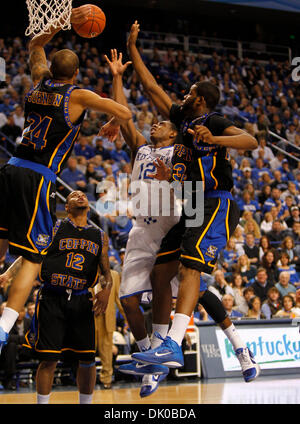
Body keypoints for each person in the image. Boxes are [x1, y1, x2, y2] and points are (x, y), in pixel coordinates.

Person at [126, 21, 260, 383]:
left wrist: (216, 138)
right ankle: (160, 354)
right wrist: (132, 47)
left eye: (188, 92)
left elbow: (251, 141)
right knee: (165, 273)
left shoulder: (211, 119)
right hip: (190, 205)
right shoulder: (182, 122)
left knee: (191, 272)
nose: (182, 94)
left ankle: (171, 344)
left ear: (199, 98)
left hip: (215, 202)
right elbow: (151, 86)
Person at [0, 5, 132, 351]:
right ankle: (2, 327)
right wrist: (116, 117)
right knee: (33, 256)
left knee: (0, 239)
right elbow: (125, 112)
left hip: (10, 167)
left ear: (52, 69)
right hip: (37, 177)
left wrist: (57, 27)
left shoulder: (39, 81)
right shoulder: (77, 96)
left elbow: (34, 47)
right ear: (75, 74)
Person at [100, 49, 180, 397]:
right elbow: (124, 118)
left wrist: (174, 178)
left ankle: (161, 351)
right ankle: (150, 357)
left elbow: (191, 189)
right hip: (140, 230)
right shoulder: (142, 149)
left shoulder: (180, 153)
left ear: (175, 135)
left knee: (173, 290)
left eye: (162, 123)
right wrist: (117, 77)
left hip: (170, 227)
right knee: (129, 302)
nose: (154, 124)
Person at [1, 190, 113, 403]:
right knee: (48, 359)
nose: (79, 196)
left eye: (82, 195)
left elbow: (106, 273)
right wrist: (7, 274)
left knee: (87, 359)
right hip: (52, 297)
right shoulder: (54, 228)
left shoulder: (99, 236)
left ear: (88, 206)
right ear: (67, 208)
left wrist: (106, 290)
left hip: (82, 300)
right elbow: (31, 256)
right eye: (73, 195)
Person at [93, 270, 125, 390]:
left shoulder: (114, 275)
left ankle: (106, 380)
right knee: (88, 351)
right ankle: (86, 379)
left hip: (106, 317)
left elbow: (118, 298)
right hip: (89, 316)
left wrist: (128, 317)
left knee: (106, 351)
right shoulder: (86, 270)